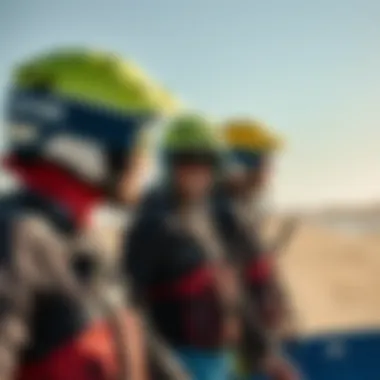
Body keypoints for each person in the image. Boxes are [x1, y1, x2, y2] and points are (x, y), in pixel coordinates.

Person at [0, 47, 179, 380]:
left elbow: (137, 344)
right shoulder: (16, 237)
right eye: (137, 137)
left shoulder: (80, 238)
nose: (145, 159)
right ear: (86, 141)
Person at [124, 113, 247, 380]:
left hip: (220, 360)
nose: (197, 171)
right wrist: (168, 370)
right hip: (179, 363)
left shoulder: (203, 219)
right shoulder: (152, 224)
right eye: (187, 160)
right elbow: (130, 307)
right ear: (169, 164)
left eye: (206, 162)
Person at [214, 118, 298, 379]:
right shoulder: (221, 215)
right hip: (235, 351)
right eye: (263, 163)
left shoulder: (237, 210)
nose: (268, 173)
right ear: (238, 166)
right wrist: (265, 354)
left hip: (251, 345)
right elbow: (229, 293)